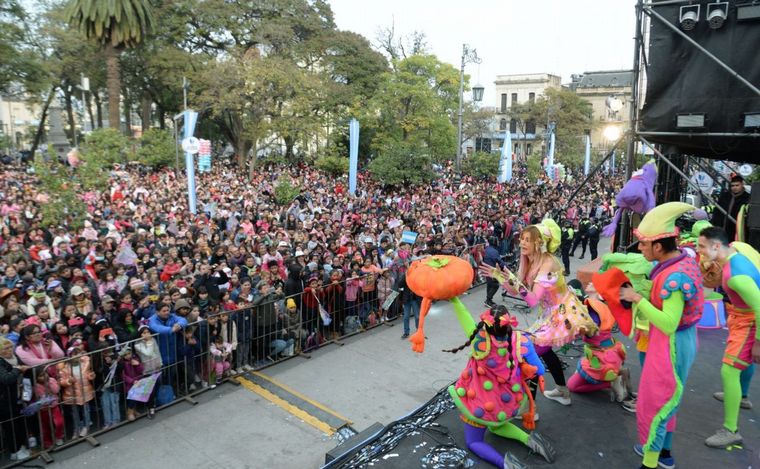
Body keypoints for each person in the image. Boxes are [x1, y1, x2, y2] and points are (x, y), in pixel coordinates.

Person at [619, 202, 704, 469]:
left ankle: (651, 462)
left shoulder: (674, 278)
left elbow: (668, 322)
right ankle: (664, 453)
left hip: (671, 344)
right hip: (677, 341)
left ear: (658, 246)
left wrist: (636, 299)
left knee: (656, 402)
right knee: (668, 400)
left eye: (644, 244)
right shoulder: (679, 263)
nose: (640, 248)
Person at [482, 220, 598, 407]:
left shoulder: (548, 263)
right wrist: (500, 277)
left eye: (528, 240)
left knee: (530, 354)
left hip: (562, 314)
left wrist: (510, 279)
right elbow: (515, 290)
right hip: (548, 314)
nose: (522, 243)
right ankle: (562, 391)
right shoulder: (528, 260)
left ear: (540, 243)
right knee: (544, 352)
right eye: (522, 239)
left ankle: (529, 409)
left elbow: (532, 299)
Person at [445, 301, 555, 469]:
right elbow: (539, 369)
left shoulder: (479, 340)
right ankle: (529, 440)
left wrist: (454, 299)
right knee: (496, 427)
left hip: (481, 402)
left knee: (473, 441)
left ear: (486, 324)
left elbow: (463, 314)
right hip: (506, 401)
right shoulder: (521, 340)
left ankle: (506, 464)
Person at [696, 226, 760, 448]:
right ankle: (741, 396)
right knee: (742, 362)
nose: (699, 250)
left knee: (729, 369)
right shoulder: (733, 252)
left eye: (702, 246)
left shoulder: (735, 277)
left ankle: (731, 430)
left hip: (750, 321)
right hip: (743, 317)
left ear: (716, 246)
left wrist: (758, 343)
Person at [711, 174, 750, 241]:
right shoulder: (725, 196)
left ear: (742, 185)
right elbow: (717, 212)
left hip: (737, 232)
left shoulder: (747, 198)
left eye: (737, 185)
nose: (735, 187)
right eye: (732, 186)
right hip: (722, 230)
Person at [482, 236, 504, 308]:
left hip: (486, 269)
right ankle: (488, 300)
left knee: (489, 284)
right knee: (495, 285)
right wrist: (505, 267)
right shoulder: (494, 251)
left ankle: (489, 300)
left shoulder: (487, 249)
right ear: (494, 242)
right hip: (491, 270)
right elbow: (500, 262)